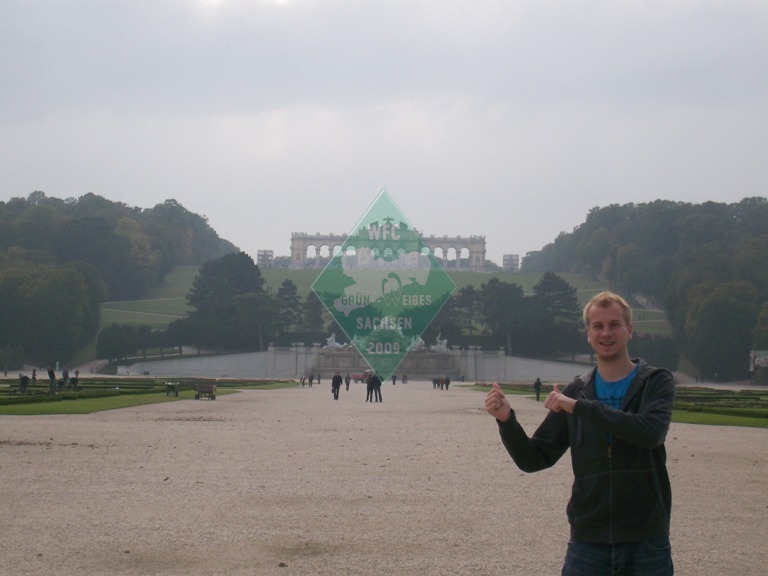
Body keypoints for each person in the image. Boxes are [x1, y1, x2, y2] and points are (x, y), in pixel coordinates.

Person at [484, 291, 675, 575]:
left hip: (646, 539)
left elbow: (650, 433)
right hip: (588, 541)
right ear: (588, 334)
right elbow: (534, 458)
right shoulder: (575, 391)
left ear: (629, 330)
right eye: (598, 326)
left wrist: (580, 407)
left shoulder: (655, 382)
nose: (606, 333)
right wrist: (506, 420)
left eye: (614, 324)